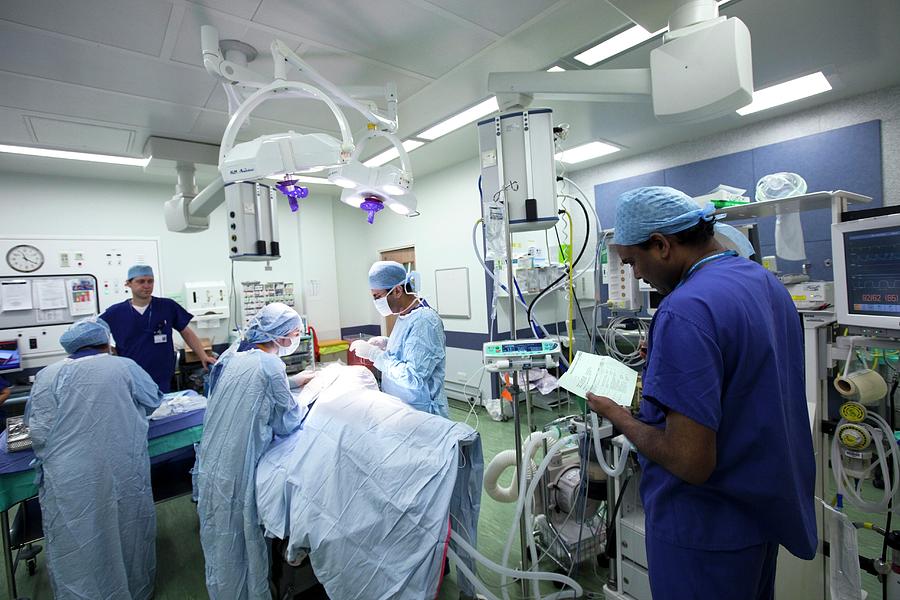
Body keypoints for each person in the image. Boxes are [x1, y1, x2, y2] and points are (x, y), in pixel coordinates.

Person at [585, 186, 816, 600]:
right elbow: (746, 374)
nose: (635, 274)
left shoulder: (685, 308)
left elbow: (691, 461)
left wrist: (617, 415)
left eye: (633, 261)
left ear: (661, 245)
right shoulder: (767, 284)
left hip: (706, 529)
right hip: (759, 515)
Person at [25, 319, 163, 600]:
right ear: (106, 343)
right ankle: (135, 591)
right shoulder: (123, 366)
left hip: (68, 476)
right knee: (127, 529)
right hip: (120, 467)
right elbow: (152, 400)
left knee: (77, 538)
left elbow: (37, 431)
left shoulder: (47, 375)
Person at [197, 302, 314, 600]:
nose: (295, 340)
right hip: (239, 464)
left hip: (213, 460)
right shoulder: (270, 364)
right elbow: (287, 421)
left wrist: (292, 382)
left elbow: (246, 388)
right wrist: (307, 399)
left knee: (219, 534)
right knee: (240, 536)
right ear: (280, 335)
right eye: (295, 333)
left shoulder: (233, 355)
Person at [350, 261, 448, 417]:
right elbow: (412, 350)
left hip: (422, 413)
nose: (376, 302)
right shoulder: (405, 315)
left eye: (377, 296)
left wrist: (375, 355)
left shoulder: (425, 321)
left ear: (397, 291)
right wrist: (387, 344)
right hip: (403, 407)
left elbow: (413, 377)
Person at [100, 264, 216, 392]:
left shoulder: (167, 306)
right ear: (128, 284)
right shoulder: (115, 312)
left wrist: (203, 356)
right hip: (131, 377)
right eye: (141, 281)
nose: (146, 285)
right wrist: (112, 351)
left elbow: (186, 332)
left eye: (150, 281)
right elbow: (91, 336)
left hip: (162, 376)